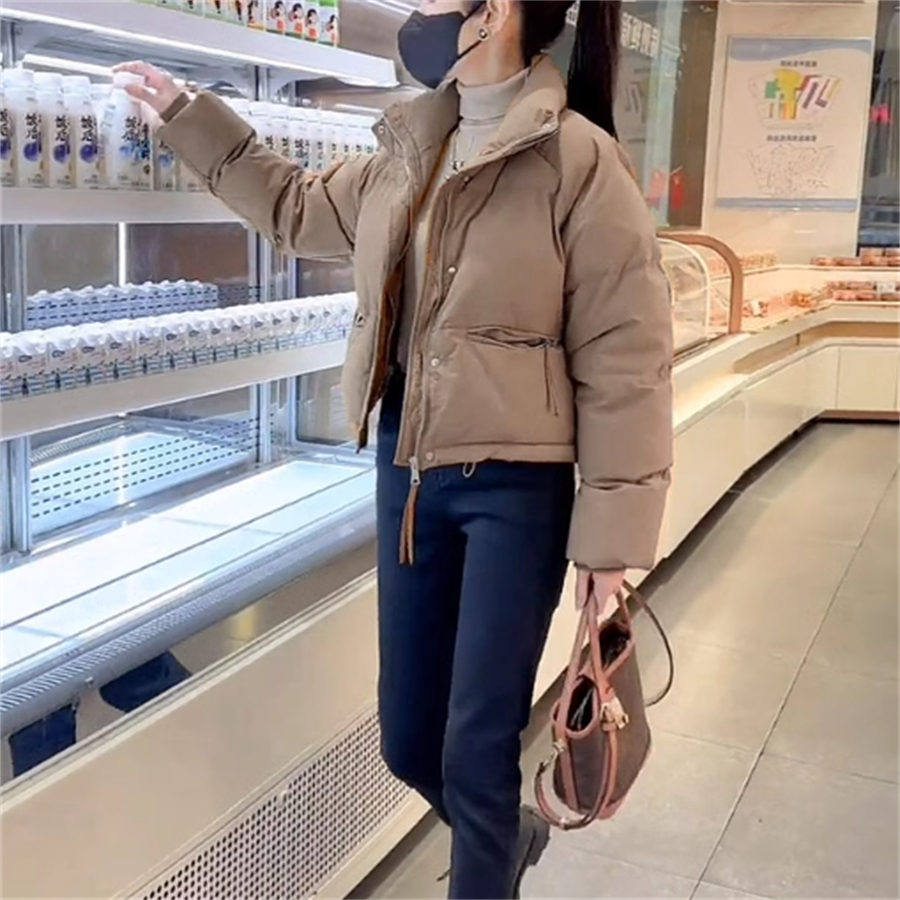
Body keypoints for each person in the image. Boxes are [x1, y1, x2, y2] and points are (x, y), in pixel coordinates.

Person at [116, 0, 673, 896]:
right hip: (408, 475)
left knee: (475, 750)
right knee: (410, 741)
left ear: (495, 13)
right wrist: (188, 115)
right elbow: (298, 209)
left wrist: (611, 538)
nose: (418, 13)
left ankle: (487, 852)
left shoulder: (578, 161)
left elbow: (625, 355)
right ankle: (507, 837)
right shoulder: (409, 146)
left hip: (517, 490)